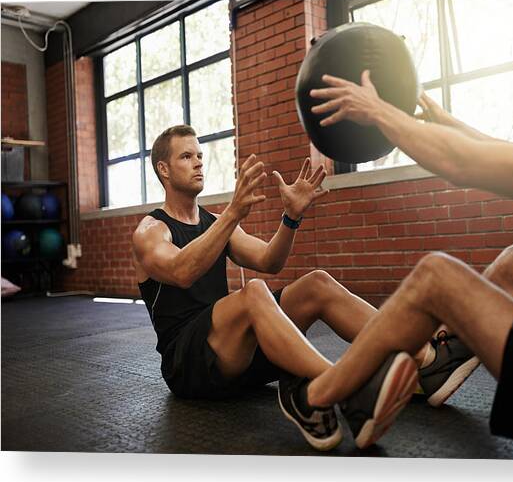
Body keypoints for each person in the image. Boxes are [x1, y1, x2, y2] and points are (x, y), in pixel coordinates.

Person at [297, 16, 513, 459]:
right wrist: (446, 123)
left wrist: (377, 111)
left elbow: (467, 166)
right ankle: (438, 363)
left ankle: (319, 396)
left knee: (435, 277)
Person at [131, 125, 478, 451]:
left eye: (200, 156)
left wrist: (290, 218)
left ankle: (428, 361)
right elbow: (182, 271)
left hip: (237, 357)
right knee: (254, 293)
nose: (198, 163)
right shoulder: (151, 230)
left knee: (316, 284)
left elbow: (269, 260)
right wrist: (233, 213)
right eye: (186, 157)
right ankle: (342, 388)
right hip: (190, 366)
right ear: (163, 169)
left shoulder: (212, 222)